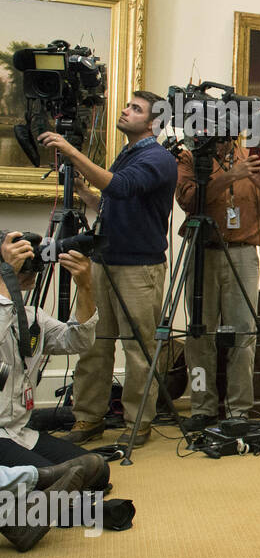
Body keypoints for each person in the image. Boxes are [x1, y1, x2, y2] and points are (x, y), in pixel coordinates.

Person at [39, 91, 178, 448]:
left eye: (136, 109)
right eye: (128, 105)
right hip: (103, 261)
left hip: (139, 268)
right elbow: (114, 199)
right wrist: (86, 193)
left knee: (138, 349)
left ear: (153, 122)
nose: (125, 110)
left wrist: (72, 152)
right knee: (93, 344)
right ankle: (88, 417)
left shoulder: (159, 158)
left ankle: (137, 423)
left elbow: (122, 186)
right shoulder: (130, 152)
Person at [174, 137, 260, 431]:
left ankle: (239, 410)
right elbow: (188, 199)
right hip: (202, 253)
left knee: (243, 335)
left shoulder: (252, 157)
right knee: (199, 335)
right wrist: (230, 176)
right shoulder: (191, 157)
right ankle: (201, 406)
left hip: (243, 254)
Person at [0, 231, 112, 522]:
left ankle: (41, 503)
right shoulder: (5, 312)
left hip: (21, 432)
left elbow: (78, 341)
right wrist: (5, 276)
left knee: (99, 471)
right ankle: (37, 507)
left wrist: (85, 286)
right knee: (49, 481)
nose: (31, 266)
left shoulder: (31, 316)